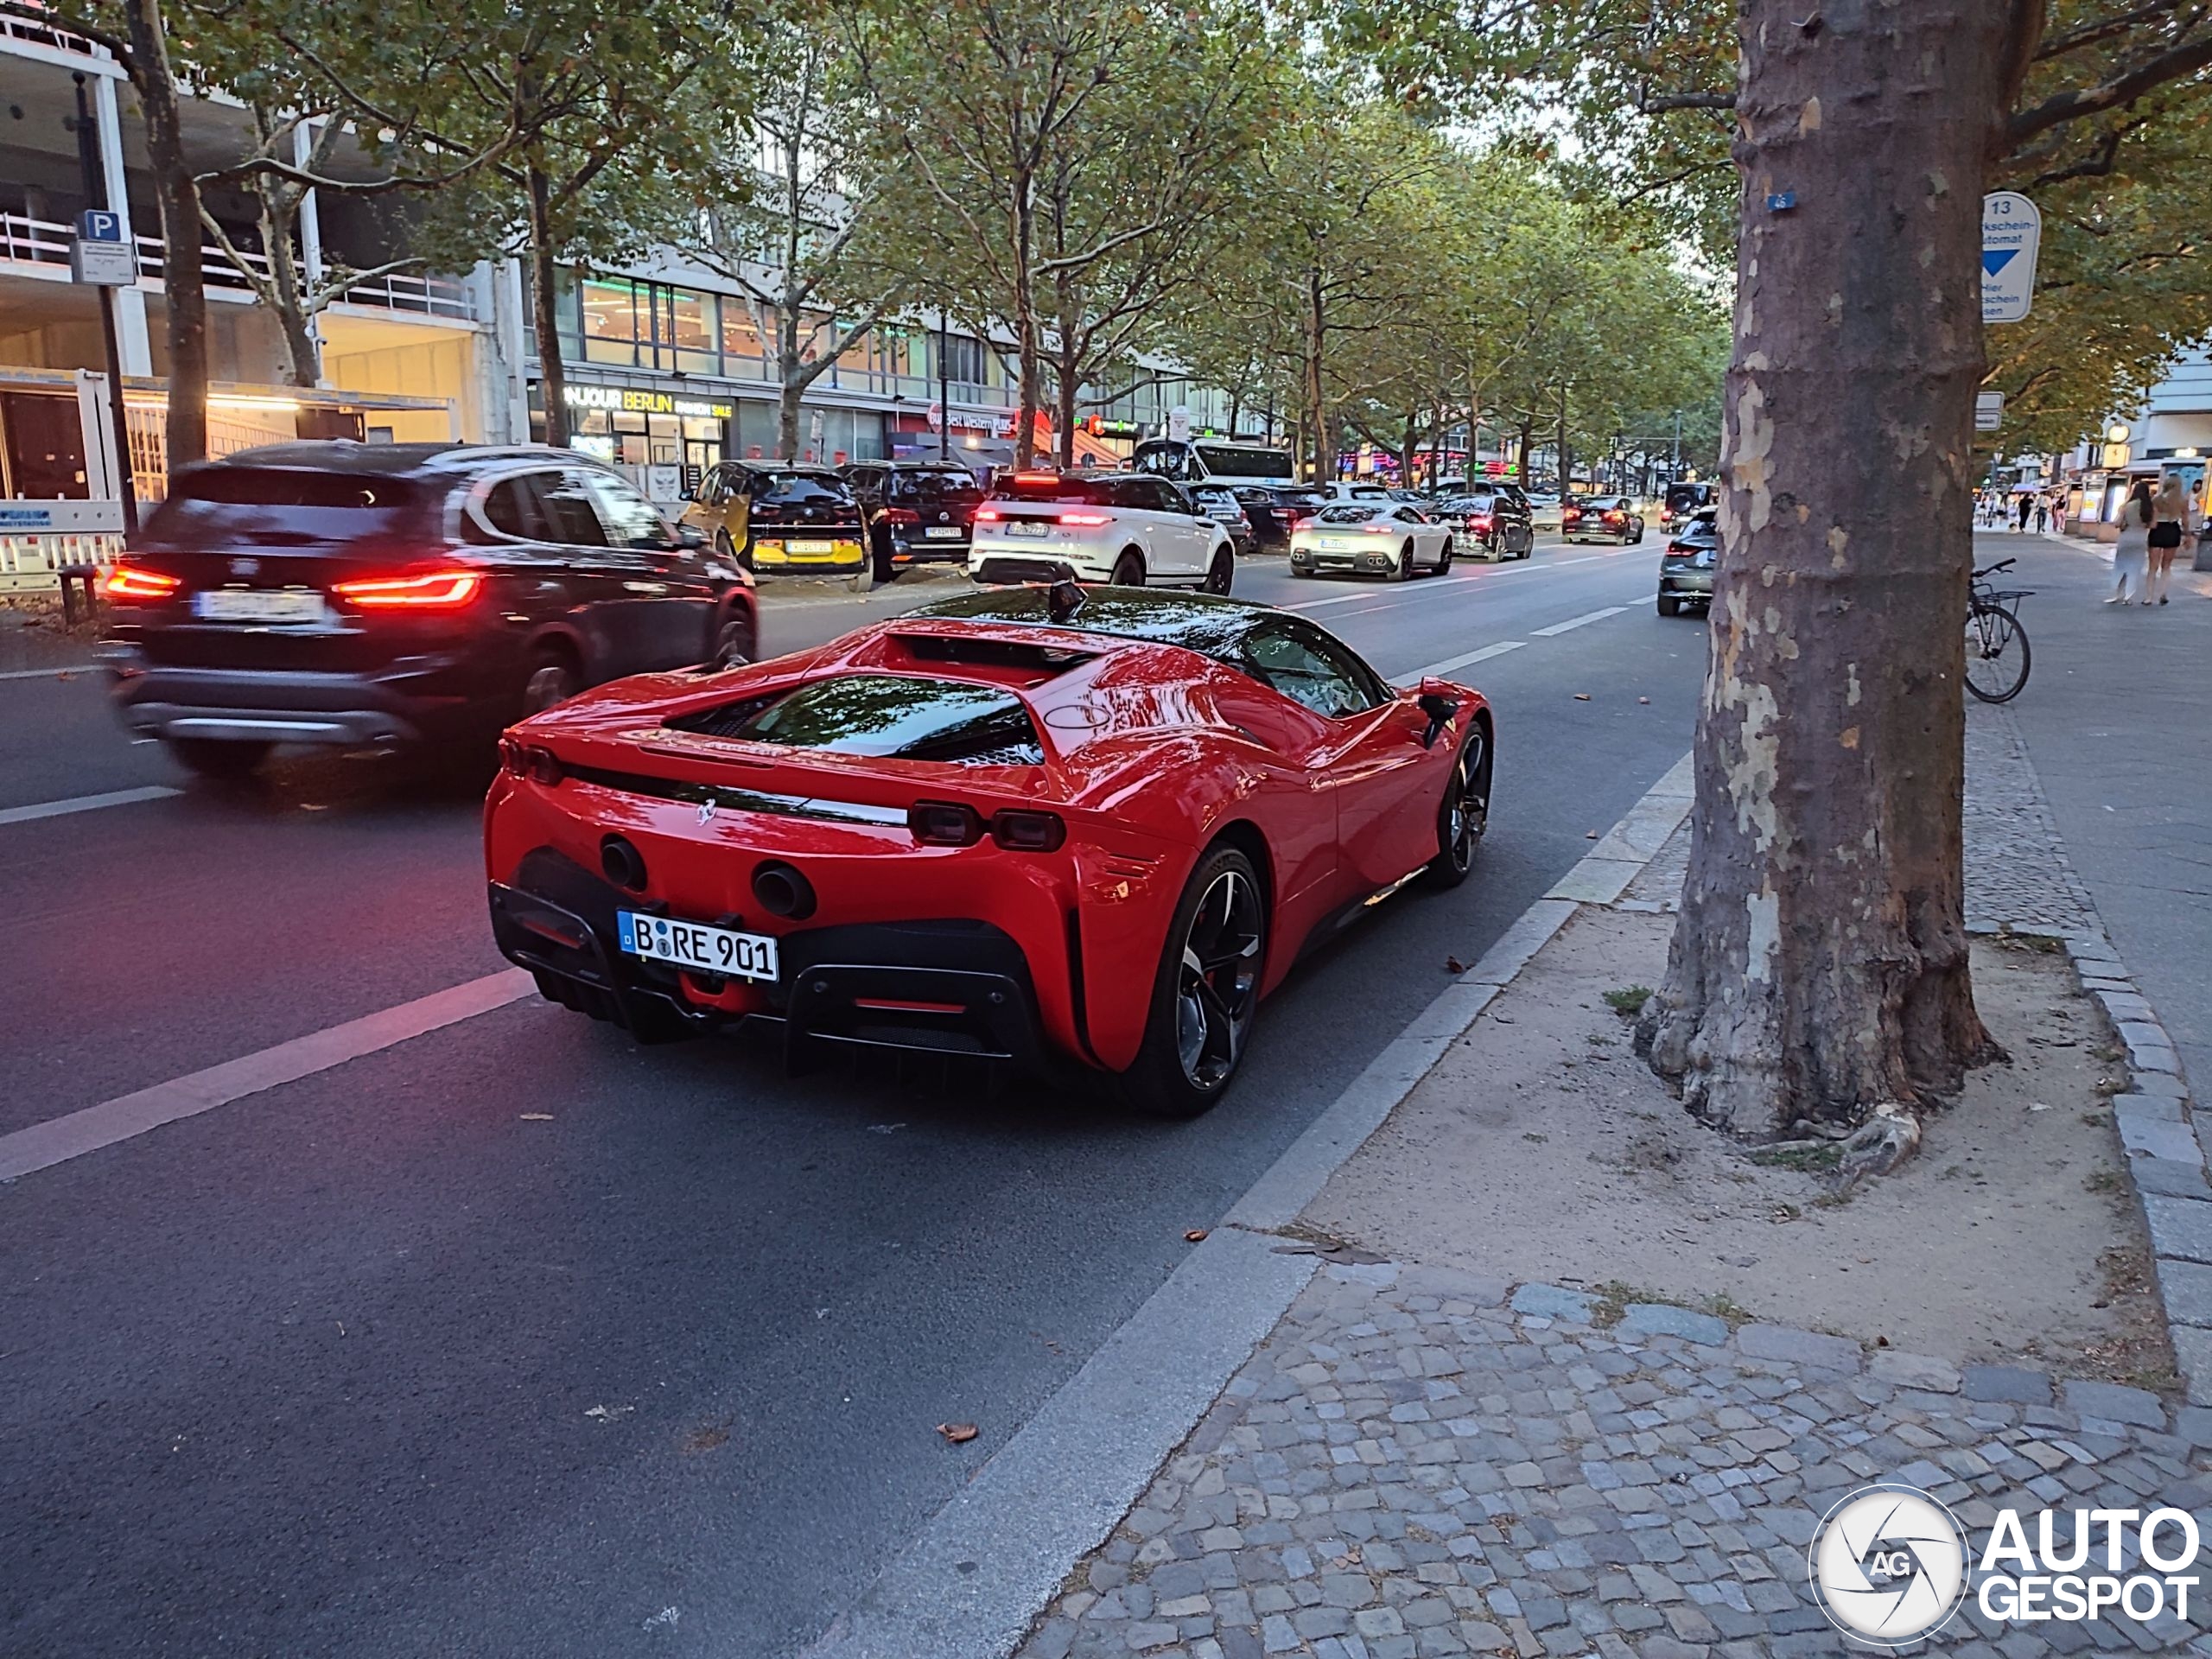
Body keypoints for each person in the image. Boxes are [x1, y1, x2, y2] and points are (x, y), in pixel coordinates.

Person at [2147, 476, 2193, 606]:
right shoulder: (2182, 501)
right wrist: (2188, 536)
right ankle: (2163, 593)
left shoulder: (2156, 500)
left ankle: (2149, 596)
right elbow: (2185, 521)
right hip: (2172, 530)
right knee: (2166, 565)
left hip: (2157, 531)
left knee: (2152, 566)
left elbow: (2153, 520)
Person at [2108, 479, 2153, 605]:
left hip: (2126, 538)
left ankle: (2117, 594)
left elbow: (2117, 523)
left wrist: (2124, 522)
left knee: (2121, 567)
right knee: (2134, 568)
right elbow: (2152, 525)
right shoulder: (2149, 507)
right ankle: (2129, 596)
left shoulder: (2127, 506)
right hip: (2141, 539)